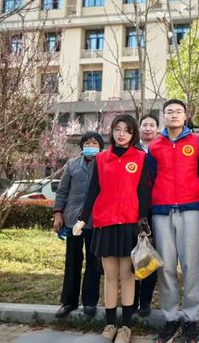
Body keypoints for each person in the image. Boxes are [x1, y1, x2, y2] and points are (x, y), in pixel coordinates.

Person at [73, 114, 151, 343]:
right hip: (105, 223)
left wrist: (143, 223)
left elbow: (143, 193)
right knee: (109, 276)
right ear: (112, 131)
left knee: (127, 276)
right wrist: (82, 219)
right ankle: (109, 324)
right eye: (117, 129)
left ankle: (126, 326)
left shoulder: (140, 158)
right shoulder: (101, 159)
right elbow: (92, 191)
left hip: (129, 224)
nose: (121, 134)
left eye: (127, 130)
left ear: (133, 133)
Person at [147, 99, 199, 343]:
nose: (174, 115)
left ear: (186, 116)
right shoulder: (155, 146)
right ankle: (171, 318)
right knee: (166, 267)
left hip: (190, 211)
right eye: (169, 112)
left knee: (191, 266)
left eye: (178, 111)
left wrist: (196, 200)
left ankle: (190, 319)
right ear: (163, 116)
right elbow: (150, 178)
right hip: (161, 213)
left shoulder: (198, 143)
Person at [53, 132, 104, 319]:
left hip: (95, 219)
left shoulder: (104, 163)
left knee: (93, 261)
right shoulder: (72, 164)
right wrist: (58, 213)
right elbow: (62, 191)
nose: (91, 146)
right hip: (73, 218)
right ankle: (69, 301)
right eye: (87, 143)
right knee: (73, 260)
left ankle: (90, 302)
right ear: (82, 146)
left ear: (101, 147)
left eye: (95, 143)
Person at [134, 113, 160, 317]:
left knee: (150, 253)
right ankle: (131, 299)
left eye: (152, 125)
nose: (148, 128)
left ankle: (145, 301)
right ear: (139, 128)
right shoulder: (132, 149)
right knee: (133, 253)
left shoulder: (161, 148)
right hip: (133, 209)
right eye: (145, 125)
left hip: (156, 208)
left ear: (157, 129)